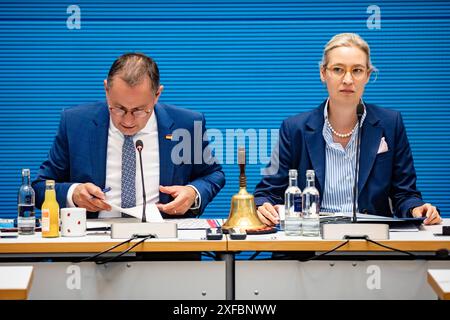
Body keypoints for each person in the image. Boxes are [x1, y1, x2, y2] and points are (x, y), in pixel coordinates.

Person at [255, 33, 442, 226]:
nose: (347, 79)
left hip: (372, 244)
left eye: (357, 70)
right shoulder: (294, 128)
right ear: (323, 73)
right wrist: (264, 206)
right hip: (309, 244)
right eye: (338, 69)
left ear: (367, 75)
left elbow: (405, 193)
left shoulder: (390, 123)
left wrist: (416, 208)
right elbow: (266, 193)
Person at [33, 52, 225, 219]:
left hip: (164, 243)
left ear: (157, 94)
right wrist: (73, 193)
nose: (128, 121)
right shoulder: (75, 123)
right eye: (118, 108)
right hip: (92, 242)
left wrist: (193, 192)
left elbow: (213, 175)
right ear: (106, 89)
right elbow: (40, 187)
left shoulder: (186, 125)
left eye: (140, 110)